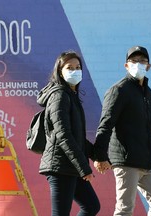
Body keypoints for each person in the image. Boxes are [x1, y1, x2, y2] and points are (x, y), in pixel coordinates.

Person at [93, 45, 151, 216]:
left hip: (145, 161)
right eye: (134, 61)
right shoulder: (119, 90)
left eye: (142, 61)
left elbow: (148, 127)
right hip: (125, 161)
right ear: (126, 65)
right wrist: (100, 155)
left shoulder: (148, 93)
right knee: (125, 209)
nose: (138, 64)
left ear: (149, 66)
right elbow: (106, 124)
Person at [37, 50, 100, 216]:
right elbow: (63, 135)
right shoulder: (59, 96)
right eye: (69, 67)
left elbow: (77, 138)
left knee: (91, 206)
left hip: (71, 165)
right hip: (60, 166)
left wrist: (98, 156)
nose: (75, 71)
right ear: (60, 71)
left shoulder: (70, 95)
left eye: (78, 67)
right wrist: (84, 167)